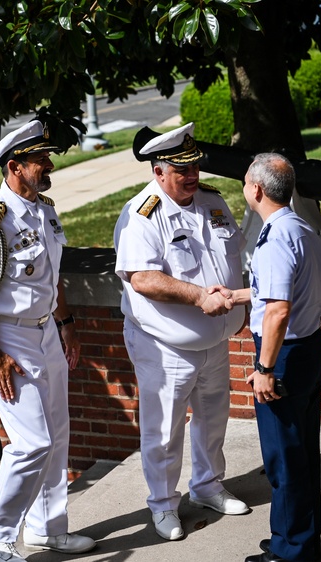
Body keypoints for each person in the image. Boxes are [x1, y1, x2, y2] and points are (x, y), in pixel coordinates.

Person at [0, 120, 95, 562]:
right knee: (32, 441)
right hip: (7, 338)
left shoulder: (43, 209)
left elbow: (50, 277)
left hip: (45, 332)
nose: (49, 164)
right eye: (40, 160)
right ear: (14, 167)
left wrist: (66, 322)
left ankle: (47, 530)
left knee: (57, 435)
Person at [113, 122, 251, 542]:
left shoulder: (211, 202)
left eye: (194, 167)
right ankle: (163, 505)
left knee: (213, 421)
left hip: (214, 341)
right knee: (164, 430)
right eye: (181, 170)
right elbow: (142, 278)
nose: (192, 176)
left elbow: (233, 256)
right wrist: (196, 296)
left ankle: (208, 487)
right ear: (158, 171)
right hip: (165, 346)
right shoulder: (142, 215)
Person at [211, 153, 321, 562]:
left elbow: (279, 309)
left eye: (245, 182)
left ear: (256, 190)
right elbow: (280, 291)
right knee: (301, 454)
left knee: (283, 459)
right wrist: (238, 296)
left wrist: (263, 368)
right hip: (308, 348)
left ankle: (291, 551)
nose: (244, 187)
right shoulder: (297, 227)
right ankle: (299, 537)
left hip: (285, 357)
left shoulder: (276, 238)